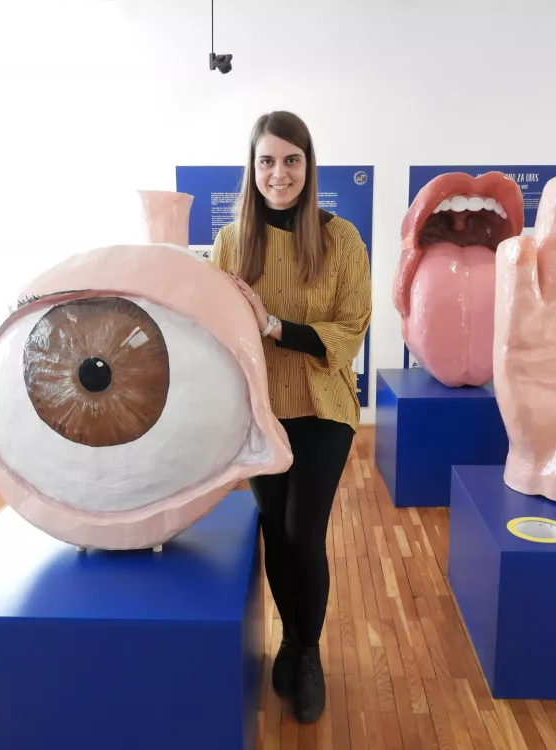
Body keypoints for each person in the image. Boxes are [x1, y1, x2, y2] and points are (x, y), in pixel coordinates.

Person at [211, 110, 372, 723]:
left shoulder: (342, 239)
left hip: (324, 405)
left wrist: (274, 325)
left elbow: (350, 330)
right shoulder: (231, 243)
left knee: (305, 531)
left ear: (309, 166)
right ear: (252, 169)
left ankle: (308, 653)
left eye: (291, 160)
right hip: (261, 408)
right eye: (267, 161)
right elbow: (216, 328)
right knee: (275, 531)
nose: (279, 173)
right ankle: (289, 639)